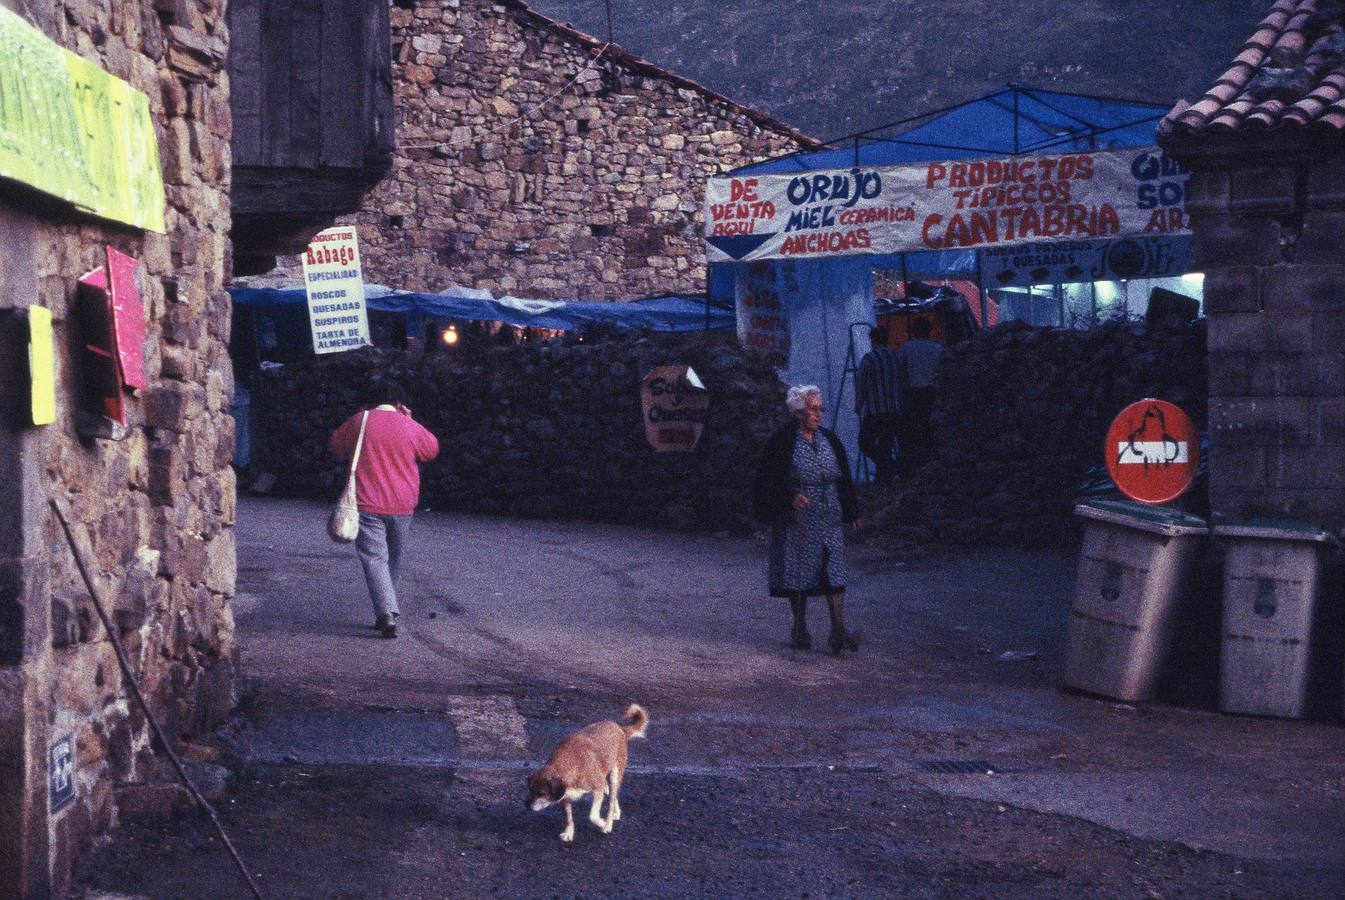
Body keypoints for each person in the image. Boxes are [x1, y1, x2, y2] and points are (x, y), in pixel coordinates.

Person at [752, 385, 861, 655]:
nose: (819, 414)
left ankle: (838, 630)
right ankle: (799, 628)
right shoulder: (782, 442)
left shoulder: (829, 440)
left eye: (820, 408)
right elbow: (767, 479)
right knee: (798, 572)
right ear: (798, 412)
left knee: (834, 570)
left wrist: (851, 510)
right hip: (798, 520)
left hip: (829, 515)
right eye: (813, 408)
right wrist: (789, 497)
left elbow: (843, 477)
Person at [329, 382, 440, 638]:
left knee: (375, 558)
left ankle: (386, 612)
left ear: (367, 402)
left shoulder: (360, 420)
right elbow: (432, 449)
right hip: (403, 504)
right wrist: (412, 421)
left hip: (367, 503)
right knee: (394, 559)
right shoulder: (409, 425)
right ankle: (387, 608)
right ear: (400, 404)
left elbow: (336, 446)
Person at [895, 317, 945, 474]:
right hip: (932, 394)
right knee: (932, 431)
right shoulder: (938, 349)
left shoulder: (906, 348)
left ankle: (914, 467)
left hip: (913, 395)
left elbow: (899, 372)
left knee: (914, 433)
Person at [854, 325, 902, 483]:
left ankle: (889, 465)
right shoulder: (895, 357)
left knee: (865, 442)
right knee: (885, 444)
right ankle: (884, 477)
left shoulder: (869, 358)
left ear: (873, 340)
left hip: (876, 411)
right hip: (894, 409)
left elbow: (862, 383)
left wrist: (859, 403)